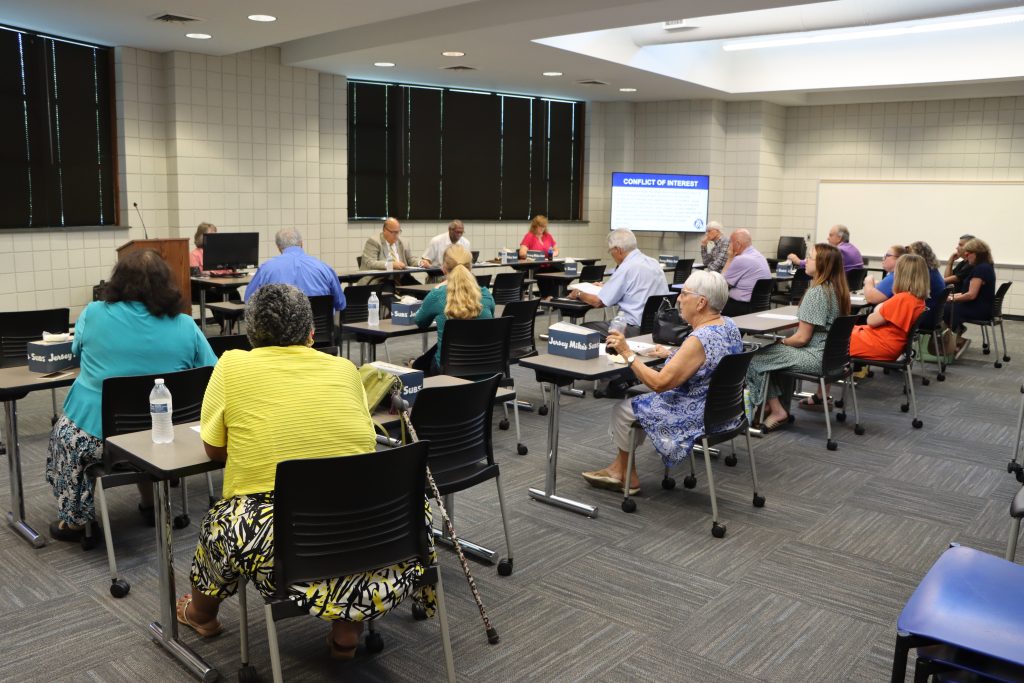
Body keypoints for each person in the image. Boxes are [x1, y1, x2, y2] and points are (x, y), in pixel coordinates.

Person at [177, 283, 435, 659]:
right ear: (311, 333)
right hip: (381, 525)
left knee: (222, 522)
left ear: (252, 334)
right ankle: (347, 632)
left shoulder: (231, 364)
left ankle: (202, 614)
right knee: (341, 512)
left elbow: (215, 449)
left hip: (288, 541)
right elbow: (362, 444)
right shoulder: (346, 369)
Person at [45, 250, 217, 541]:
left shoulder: (93, 313)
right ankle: (152, 505)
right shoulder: (186, 325)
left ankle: (75, 521)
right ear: (166, 284)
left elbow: (75, 351)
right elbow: (212, 370)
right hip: (169, 435)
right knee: (145, 424)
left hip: (104, 440)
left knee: (66, 437)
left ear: (118, 281)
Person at [582, 270, 743, 494]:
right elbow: (709, 361)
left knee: (623, 410)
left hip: (695, 414)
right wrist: (674, 354)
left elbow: (658, 383)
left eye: (685, 294)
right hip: (725, 412)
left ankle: (625, 473)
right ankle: (621, 467)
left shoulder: (698, 339)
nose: (679, 299)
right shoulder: (728, 325)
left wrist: (628, 354)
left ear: (701, 303)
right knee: (635, 403)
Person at [745, 243, 850, 429]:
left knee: (755, 359)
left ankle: (776, 409)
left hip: (814, 357)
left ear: (822, 264)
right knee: (774, 355)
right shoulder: (837, 290)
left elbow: (801, 339)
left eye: (810, 257)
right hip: (833, 359)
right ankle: (770, 406)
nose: (806, 261)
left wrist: (782, 340)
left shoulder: (816, 293)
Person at [568, 228, 669, 336]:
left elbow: (598, 302)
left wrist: (579, 293)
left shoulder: (626, 267)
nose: (611, 255)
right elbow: (635, 288)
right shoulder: (653, 263)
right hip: (658, 327)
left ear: (618, 250)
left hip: (631, 328)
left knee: (581, 330)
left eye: (610, 251)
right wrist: (607, 287)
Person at [412, 245, 495, 375]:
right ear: (471, 267)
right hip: (486, 371)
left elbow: (420, 322)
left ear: (443, 269)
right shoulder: (485, 295)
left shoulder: (436, 296)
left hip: (448, 372)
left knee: (420, 364)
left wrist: (437, 288)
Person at [244, 227, 346, 312]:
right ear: (302, 244)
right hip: (319, 332)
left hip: (282, 333)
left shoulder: (266, 269)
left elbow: (249, 300)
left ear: (278, 247)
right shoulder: (325, 268)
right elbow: (340, 304)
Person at [849, 254, 929, 361]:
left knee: (834, 338)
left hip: (881, 344)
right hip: (891, 343)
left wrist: (880, 307)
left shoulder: (902, 298)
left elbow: (871, 320)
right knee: (842, 333)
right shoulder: (918, 299)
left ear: (901, 274)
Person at [945, 237, 996, 348]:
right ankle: (954, 337)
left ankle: (955, 341)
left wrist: (952, 298)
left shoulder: (981, 269)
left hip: (979, 309)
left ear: (977, 253)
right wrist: (950, 296)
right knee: (946, 305)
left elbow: (971, 295)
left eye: (967, 254)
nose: (966, 257)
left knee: (944, 309)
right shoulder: (984, 266)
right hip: (980, 307)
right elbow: (966, 292)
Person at [721, 229, 771, 317]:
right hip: (761, 307)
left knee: (711, 307)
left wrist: (730, 258)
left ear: (738, 244)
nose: (729, 246)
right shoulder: (760, 256)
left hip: (741, 307)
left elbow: (721, 283)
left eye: (730, 243)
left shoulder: (741, 259)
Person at [788, 224, 863, 272]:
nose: (827, 238)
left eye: (831, 235)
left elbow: (818, 263)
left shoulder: (838, 251)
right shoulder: (855, 250)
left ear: (839, 238)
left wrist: (798, 261)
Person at [906, 241, 950, 313]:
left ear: (919, 257)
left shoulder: (926, 275)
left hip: (925, 315)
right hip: (931, 313)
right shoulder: (932, 271)